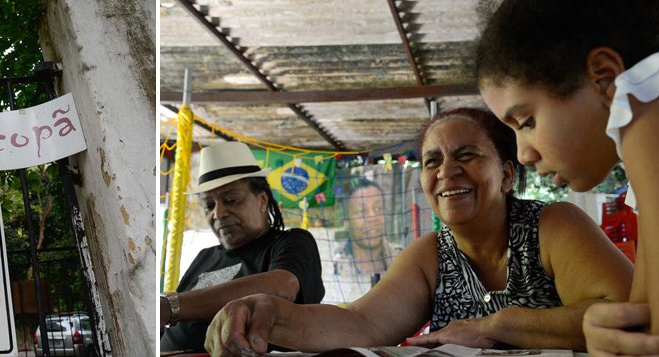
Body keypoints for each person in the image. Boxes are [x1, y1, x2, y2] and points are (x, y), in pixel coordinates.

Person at [204, 108, 633, 356]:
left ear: (505, 174)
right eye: (431, 161)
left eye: (466, 155)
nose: (447, 170)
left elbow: (632, 318)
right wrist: (272, 316)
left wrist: (498, 325)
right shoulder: (430, 254)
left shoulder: (553, 225)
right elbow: (361, 323)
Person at [473, 1, 659, 354]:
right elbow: (645, 323)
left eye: (526, 122)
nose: (524, 154)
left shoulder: (645, 108)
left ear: (603, 77)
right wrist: (610, 332)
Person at [159, 141, 325, 353]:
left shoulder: (291, 242)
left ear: (262, 201)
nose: (218, 214)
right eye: (209, 206)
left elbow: (283, 287)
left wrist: (172, 306)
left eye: (231, 200)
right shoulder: (205, 256)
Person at [321, 178, 399, 305]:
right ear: (346, 222)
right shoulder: (331, 266)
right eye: (362, 211)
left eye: (379, 209)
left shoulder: (403, 259)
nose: (373, 218)